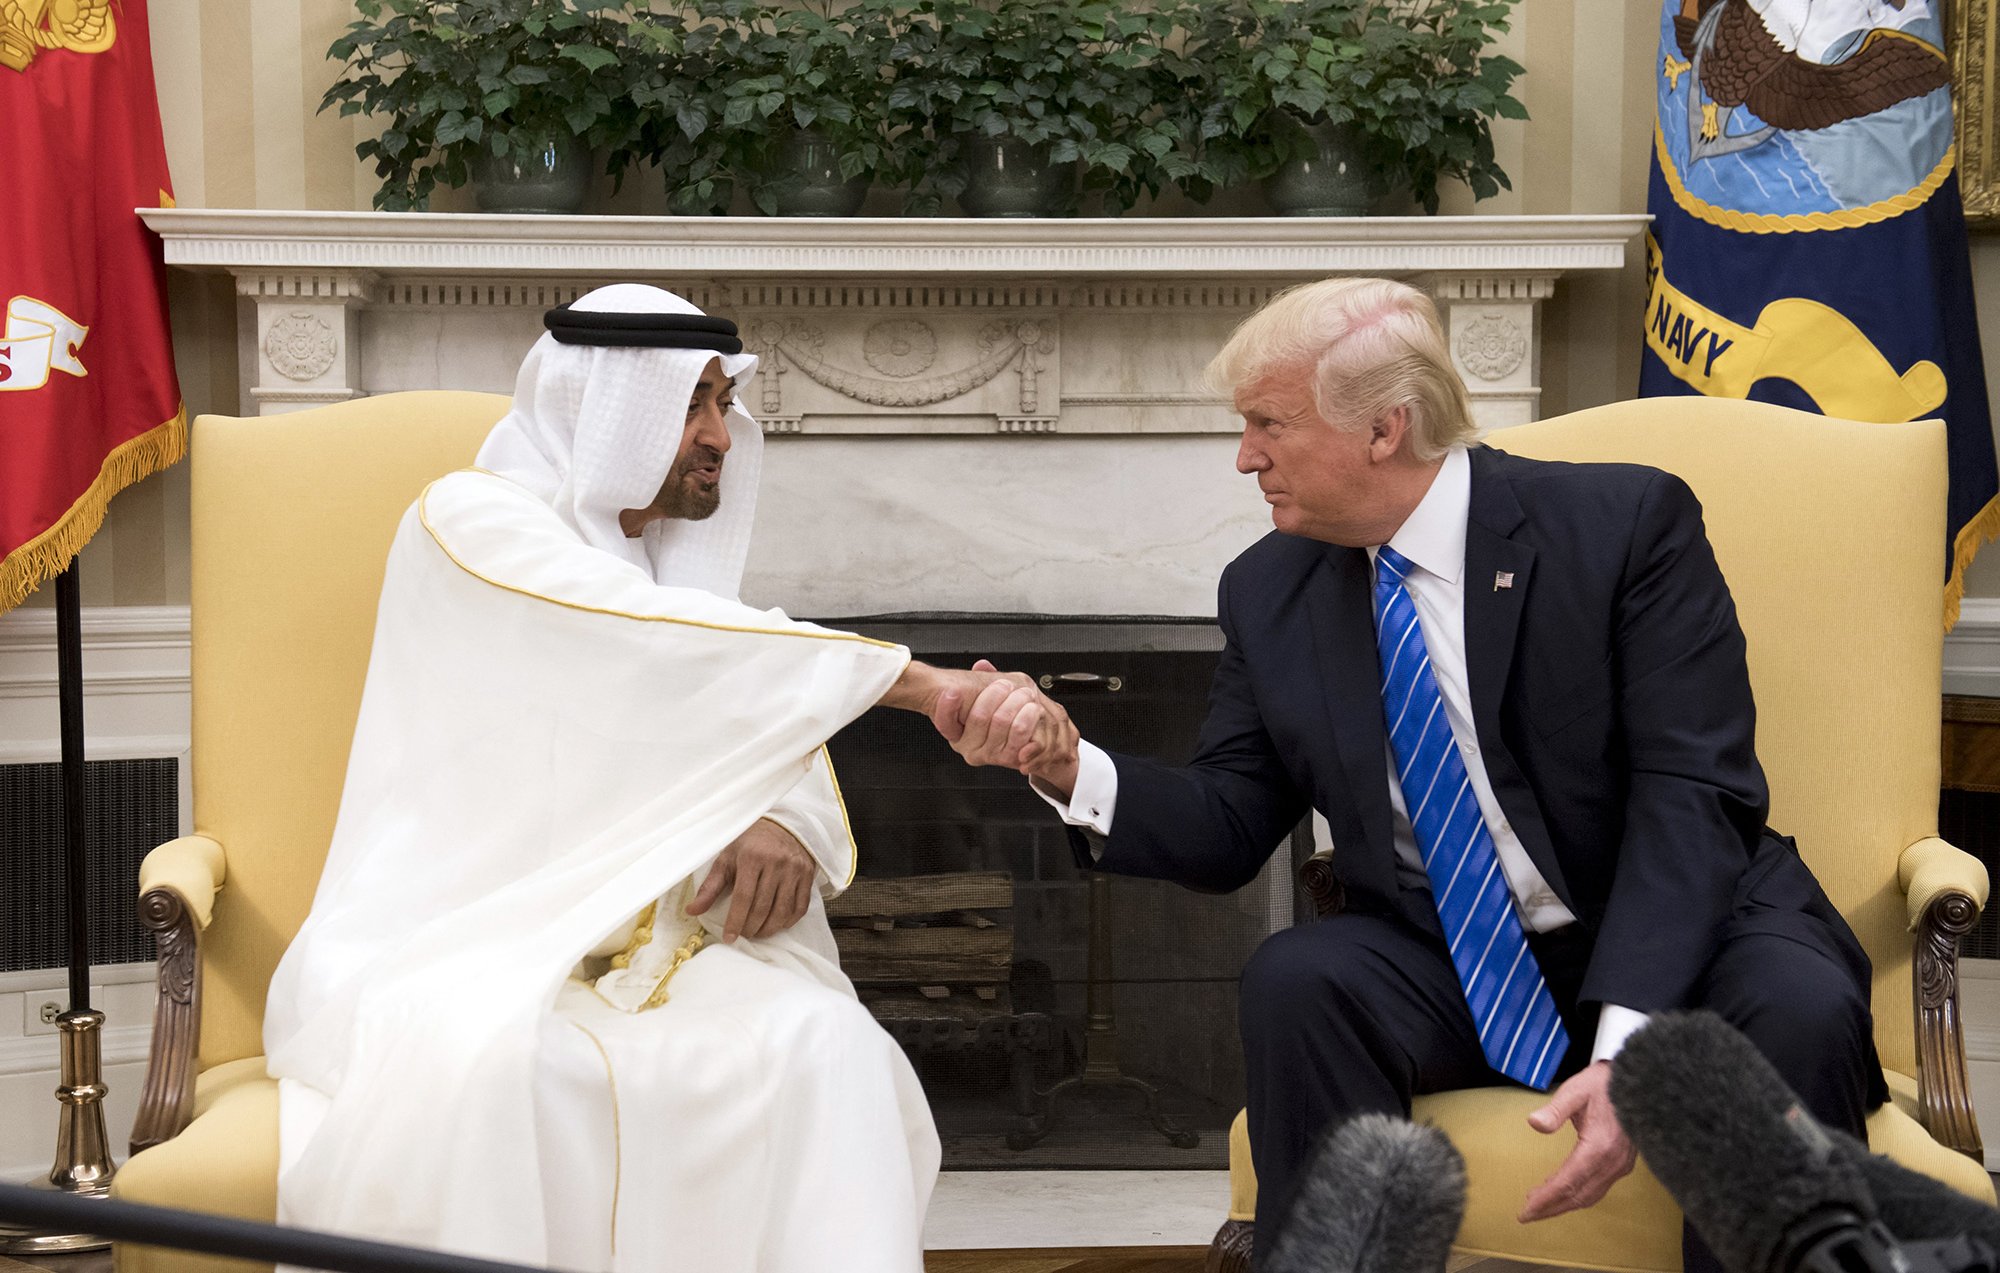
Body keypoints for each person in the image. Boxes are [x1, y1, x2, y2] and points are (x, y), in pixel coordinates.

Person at [934, 277, 1883, 1272]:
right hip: (1456, 963)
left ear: (1382, 430)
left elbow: (1692, 795)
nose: (1242, 455)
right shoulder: (1270, 588)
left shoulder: (1620, 526)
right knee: (1300, 978)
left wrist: (1626, 1045)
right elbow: (1225, 821)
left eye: (1265, 422)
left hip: (1676, 936)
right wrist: (1060, 759)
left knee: (1795, 1005)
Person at [263, 284, 1055, 1273]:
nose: (720, 433)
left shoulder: (668, 587)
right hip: (479, 941)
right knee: (495, 1080)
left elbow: (741, 697)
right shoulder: (469, 523)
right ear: (603, 409)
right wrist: (923, 685)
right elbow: (667, 650)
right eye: (693, 404)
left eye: (723, 403)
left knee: (827, 1050)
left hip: (660, 949)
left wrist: (781, 816)